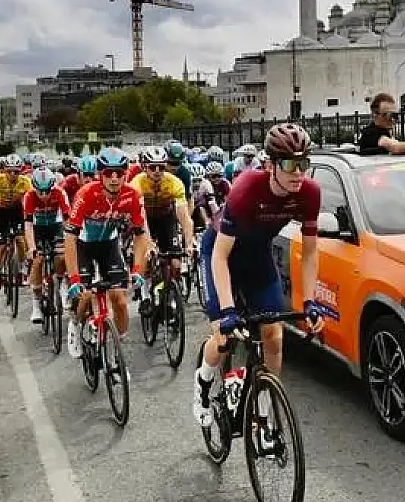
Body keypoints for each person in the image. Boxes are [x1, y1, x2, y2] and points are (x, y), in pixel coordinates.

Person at [193, 123, 324, 453]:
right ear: (269, 164)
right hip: (221, 254)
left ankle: (265, 415)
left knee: (274, 337)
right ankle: (204, 382)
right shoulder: (247, 188)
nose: (299, 174)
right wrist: (226, 311)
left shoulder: (309, 193)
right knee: (223, 338)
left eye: (304, 163)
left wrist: (310, 301)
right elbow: (221, 257)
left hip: (257, 257)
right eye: (290, 165)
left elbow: (310, 252)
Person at [63, 147, 150, 357]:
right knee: (84, 296)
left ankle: (118, 351)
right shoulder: (85, 194)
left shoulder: (133, 195)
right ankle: (75, 325)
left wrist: (138, 269)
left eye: (119, 173)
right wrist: (74, 278)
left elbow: (141, 234)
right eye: (108, 174)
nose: (114, 179)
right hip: (84, 245)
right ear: (100, 175)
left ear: (125, 174)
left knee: (119, 300)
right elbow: (70, 238)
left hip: (109, 245)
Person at [130, 146, 194, 317]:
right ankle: (144, 296)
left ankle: (170, 295)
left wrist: (188, 243)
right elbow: (140, 217)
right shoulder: (137, 183)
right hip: (145, 220)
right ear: (144, 167)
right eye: (152, 167)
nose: (157, 171)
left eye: (161, 167)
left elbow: (184, 216)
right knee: (146, 256)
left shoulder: (174, 183)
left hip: (166, 220)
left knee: (175, 263)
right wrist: (149, 243)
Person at [22, 168, 71, 324]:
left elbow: (67, 222)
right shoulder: (29, 196)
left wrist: (69, 242)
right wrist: (31, 247)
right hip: (37, 229)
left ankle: (61, 281)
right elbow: (28, 225)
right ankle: (36, 305)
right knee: (37, 260)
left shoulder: (60, 193)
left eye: (47, 191)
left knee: (62, 255)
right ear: (34, 188)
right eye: (40, 191)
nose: (43, 195)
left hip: (55, 227)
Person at [0, 155, 32, 294]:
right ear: (5, 171)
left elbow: (28, 206)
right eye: (9, 171)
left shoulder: (25, 182)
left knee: (20, 240)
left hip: (17, 211)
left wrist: (29, 223)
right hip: (1, 212)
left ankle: (23, 270)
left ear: (20, 171)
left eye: (16, 172)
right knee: (1, 247)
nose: (13, 174)